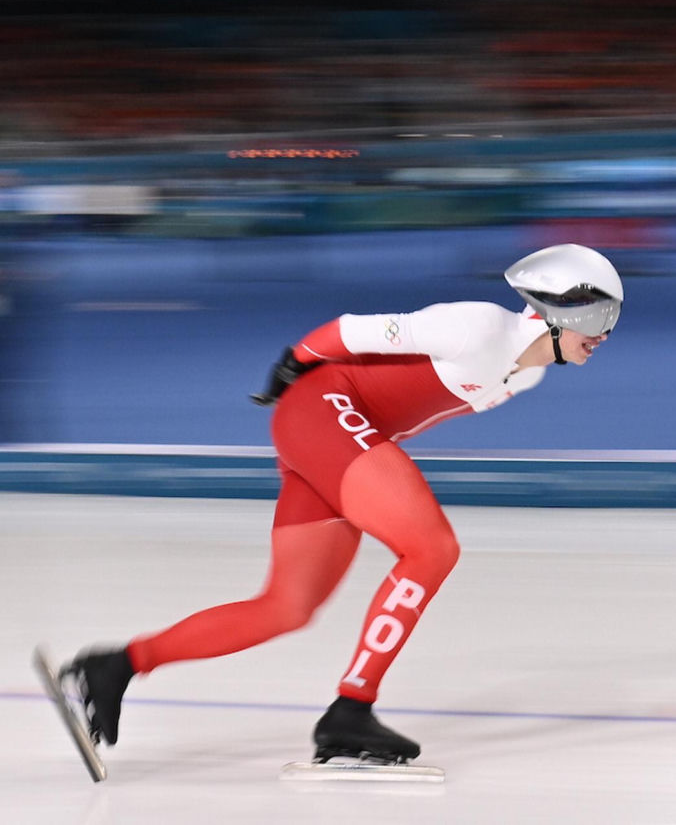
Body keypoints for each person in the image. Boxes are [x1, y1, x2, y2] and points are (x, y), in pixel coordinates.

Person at [65, 243, 624, 764]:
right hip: (322, 412)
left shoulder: (524, 377)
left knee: (288, 607)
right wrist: (293, 364)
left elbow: (406, 410)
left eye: (613, 320)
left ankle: (116, 665)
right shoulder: (478, 326)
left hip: (331, 439)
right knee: (432, 549)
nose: (604, 334)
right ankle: (352, 708)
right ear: (555, 308)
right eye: (598, 316)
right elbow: (351, 331)